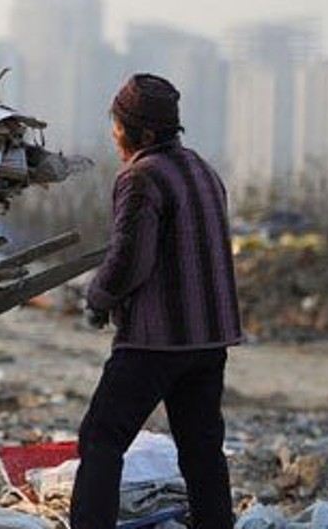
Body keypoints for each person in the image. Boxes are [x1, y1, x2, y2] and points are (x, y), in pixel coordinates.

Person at [71, 74, 242, 529]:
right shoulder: (204, 170)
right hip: (209, 340)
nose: (114, 135)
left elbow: (130, 259)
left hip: (156, 341)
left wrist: (98, 298)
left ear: (142, 134)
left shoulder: (142, 177)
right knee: (202, 450)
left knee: (101, 439)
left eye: (118, 126)